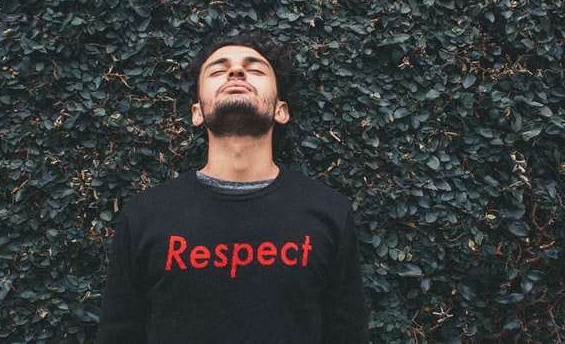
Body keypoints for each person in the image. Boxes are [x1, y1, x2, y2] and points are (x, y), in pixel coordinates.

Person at [97, 31, 369, 343]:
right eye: (217, 70)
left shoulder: (329, 212)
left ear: (282, 110)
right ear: (197, 113)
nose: (236, 72)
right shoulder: (144, 215)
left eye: (254, 69)